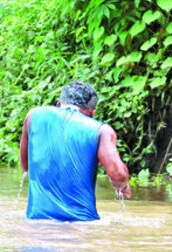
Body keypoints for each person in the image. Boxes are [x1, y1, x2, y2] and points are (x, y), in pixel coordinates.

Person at [19, 81, 132, 222]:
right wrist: (122, 185)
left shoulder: (33, 116)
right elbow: (119, 175)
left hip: (36, 225)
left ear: (59, 103)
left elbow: (26, 165)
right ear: (92, 112)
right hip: (81, 226)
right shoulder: (101, 130)